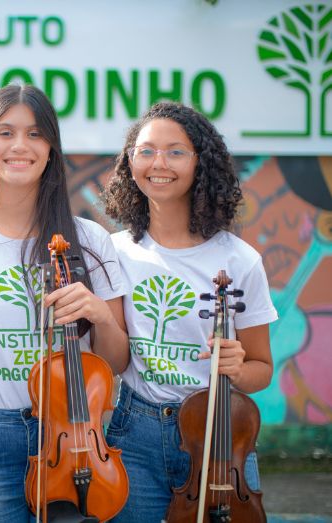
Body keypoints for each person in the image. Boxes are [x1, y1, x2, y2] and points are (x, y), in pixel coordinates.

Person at [0, 84, 129, 522]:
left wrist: (98, 313)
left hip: (78, 439)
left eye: (36, 134)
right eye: (5, 133)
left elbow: (116, 361)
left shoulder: (90, 238)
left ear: (51, 150)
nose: (20, 145)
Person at [101, 101, 277, 522]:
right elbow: (117, 361)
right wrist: (102, 317)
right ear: (130, 161)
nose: (158, 163)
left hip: (218, 438)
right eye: (145, 151)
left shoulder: (240, 260)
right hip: (134, 430)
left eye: (175, 151)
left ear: (202, 163)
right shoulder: (116, 251)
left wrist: (237, 367)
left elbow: (261, 370)